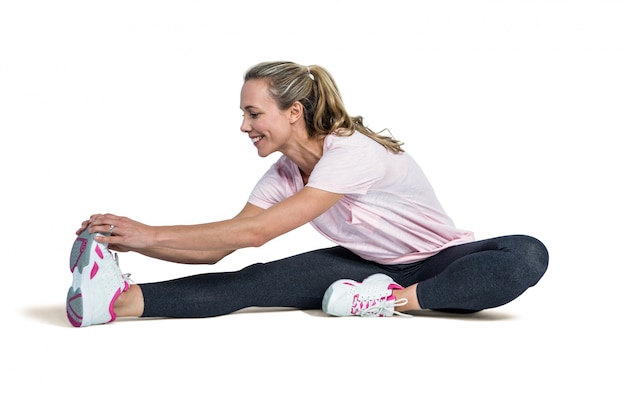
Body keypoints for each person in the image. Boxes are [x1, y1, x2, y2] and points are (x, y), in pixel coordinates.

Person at [66, 61, 549, 327]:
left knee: (525, 253)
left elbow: (255, 232)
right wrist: (135, 241)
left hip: (437, 261)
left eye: (254, 114)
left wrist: (149, 233)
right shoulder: (283, 175)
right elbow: (222, 247)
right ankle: (117, 302)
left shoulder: (351, 153)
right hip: (362, 269)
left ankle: (392, 302)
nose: (244, 126)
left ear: (293, 111)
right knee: (251, 282)